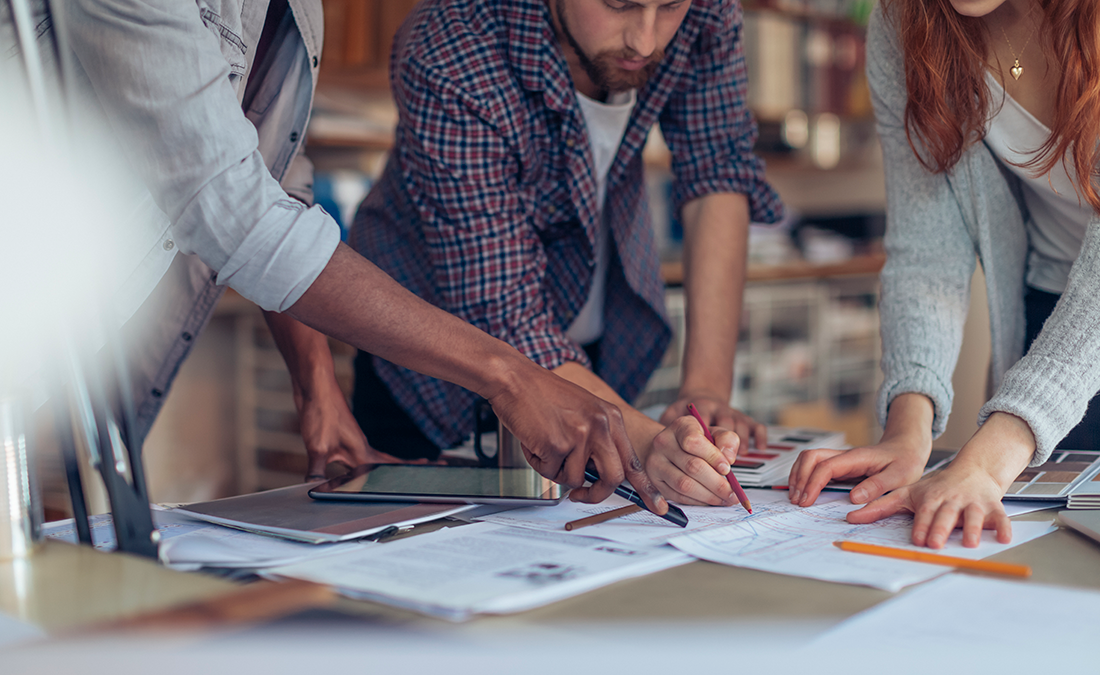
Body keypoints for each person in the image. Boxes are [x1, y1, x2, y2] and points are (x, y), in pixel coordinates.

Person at [0, 0, 671, 514]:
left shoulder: (298, 11)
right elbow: (232, 208)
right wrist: (510, 376)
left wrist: (314, 384)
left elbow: (272, 177)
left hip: (73, 362)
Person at [271, 0, 785, 507]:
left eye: (670, 7)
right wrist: (653, 445)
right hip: (438, 381)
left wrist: (705, 392)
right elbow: (505, 314)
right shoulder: (453, 42)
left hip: (600, 368)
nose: (645, 40)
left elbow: (716, 171)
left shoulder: (707, 11)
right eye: (618, 4)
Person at [787, 0, 1100, 548]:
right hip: (1047, 315)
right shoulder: (905, 25)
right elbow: (926, 246)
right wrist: (907, 429)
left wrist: (991, 455)